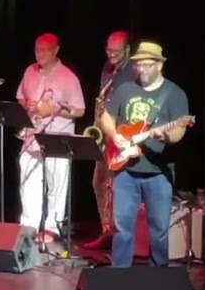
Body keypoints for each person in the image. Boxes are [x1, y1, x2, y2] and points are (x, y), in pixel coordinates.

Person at [99, 42, 191, 267]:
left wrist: (163, 136)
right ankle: (120, 276)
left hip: (158, 172)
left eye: (147, 65)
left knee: (159, 231)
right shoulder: (125, 90)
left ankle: (158, 276)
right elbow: (106, 118)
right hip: (125, 171)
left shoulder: (174, 94)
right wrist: (116, 136)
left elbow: (178, 131)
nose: (142, 70)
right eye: (138, 65)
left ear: (160, 65)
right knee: (122, 230)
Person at [15, 33, 84, 240]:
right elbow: (20, 97)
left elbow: (79, 110)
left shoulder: (68, 77)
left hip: (57, 137)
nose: (40, 54)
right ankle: (29, 226)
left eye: (45, 50)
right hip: (32, 136)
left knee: (57, 184)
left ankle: (52, 227)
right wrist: (29, 110)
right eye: (37, 50)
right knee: (28, 182)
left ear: (56, 50)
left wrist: (53, 110)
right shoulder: (29, 71)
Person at [86, 31, 135, 249]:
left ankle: (120, 234)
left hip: (122, 133)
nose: (111, 54)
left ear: (127, 50)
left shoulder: (134, 72)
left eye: (116, 51)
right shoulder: (107, 69)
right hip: (104, 133)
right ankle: (107, 229)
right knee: (99, 182)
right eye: (108, 50)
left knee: (117, 186)